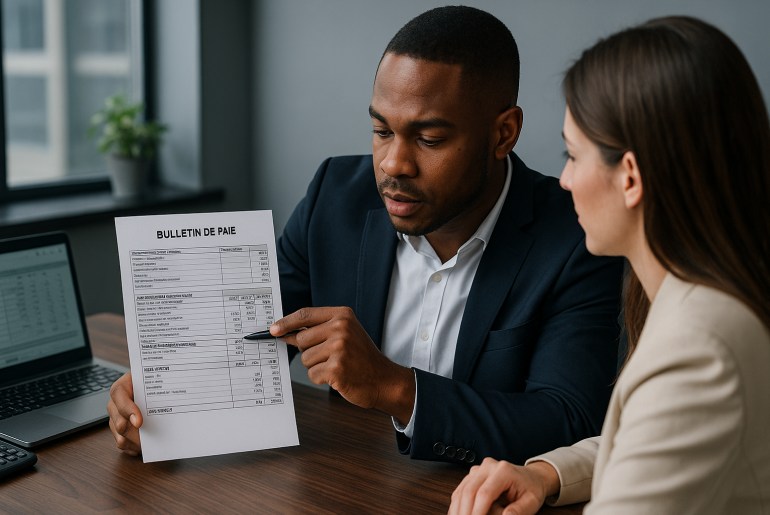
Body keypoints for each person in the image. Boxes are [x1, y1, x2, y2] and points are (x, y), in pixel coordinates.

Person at [107, 6, 624, 465]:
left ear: (503, 133)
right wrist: (168, 396)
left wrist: (393, 387)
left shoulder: (576, 235)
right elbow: (262, 329)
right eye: (381, 131)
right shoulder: (336, 193)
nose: (393, 163)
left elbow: (568, 422)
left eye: (430, 138)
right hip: (345, 482)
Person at [448, 15, 770, 515]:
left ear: (631, 177)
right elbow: (655, 434)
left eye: (572, 155)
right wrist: (544, 473)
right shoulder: (708, 298)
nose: (563, 180)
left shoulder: (698, 349)